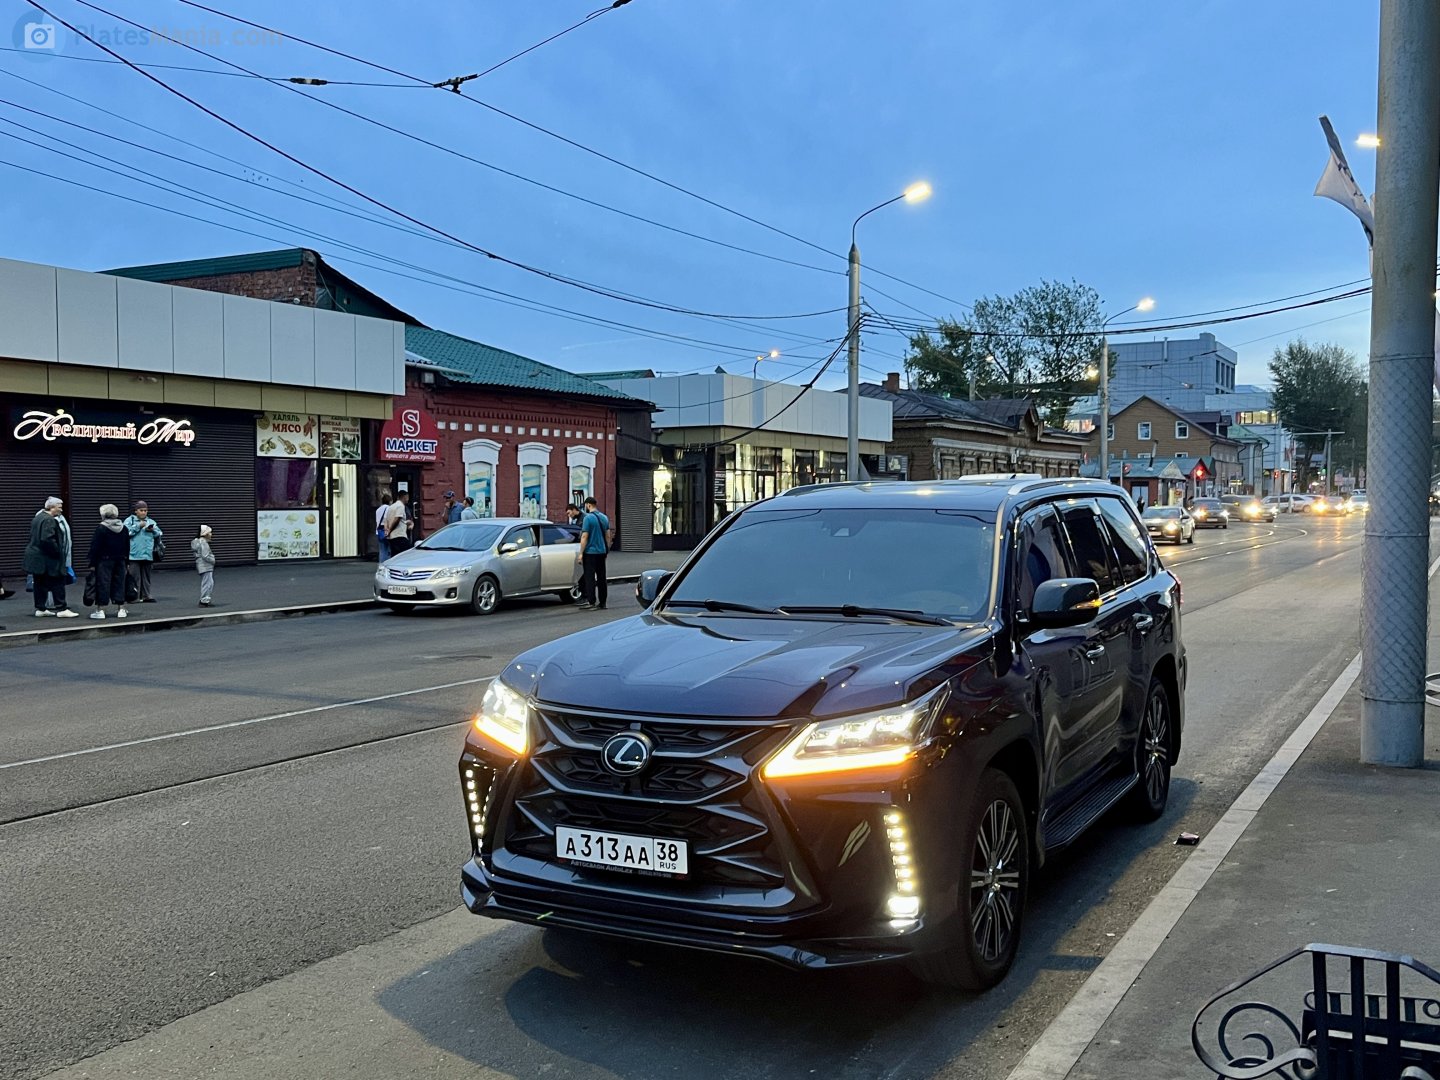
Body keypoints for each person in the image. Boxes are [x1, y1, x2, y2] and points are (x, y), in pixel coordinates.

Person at [22, 496, 78, 618]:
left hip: (36, 557)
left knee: (40, 582)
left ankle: (41, 608)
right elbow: (47, 539)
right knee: (58, 581)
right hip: (47, 558)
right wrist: (58, 553)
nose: (61, 510)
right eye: (60, 507)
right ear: (52, 507)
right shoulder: (49, 520)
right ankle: (62, 608)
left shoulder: (38, 518)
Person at [87, 503, 131, 620]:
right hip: (121, 559)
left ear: (103, 515)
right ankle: (121, 609)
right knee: (120, 583)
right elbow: (127, 545)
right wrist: (127, 561)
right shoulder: (124, 528)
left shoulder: (101, 528)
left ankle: (100, 610)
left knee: (103, 583)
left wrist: (92, 563)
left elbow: (95, 546)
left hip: (104, 560)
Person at [576, 497, 613, 611]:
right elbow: (608, 535)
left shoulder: (588, 518)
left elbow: (584, 536)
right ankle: (603, 603)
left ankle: (591, 602)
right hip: (602, 552)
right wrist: (606, 549)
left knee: (590, 578)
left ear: (588, 505)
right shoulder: (604, 517)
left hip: (590, 552)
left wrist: (581, 553)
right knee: (602, 578)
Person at [123, 500, 163, 603]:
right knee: (134, 576)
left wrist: (153, 530)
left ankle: (146, 595)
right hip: (134, 554)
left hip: (147, 553)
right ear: (136, 511)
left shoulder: (151, 521)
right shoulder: (129, 521)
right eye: (141, 510)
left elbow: (159, 534)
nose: (144, 512)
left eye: (145, 510)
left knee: (146, 577)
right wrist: (138, 527)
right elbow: (125, 534)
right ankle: (134, 596)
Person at [192, 525, 217, 607]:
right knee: (208, 583)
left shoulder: (198, 542)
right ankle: (204, 600)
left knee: (208, 582)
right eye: (209, 532)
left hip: (201, 565)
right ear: (205, 533)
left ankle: (206, 599)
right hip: (206, 565)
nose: (211, 534)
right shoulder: (203, 543)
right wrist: (213, 560)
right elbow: (205, 555)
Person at [384, 490, 412, 555]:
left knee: (394, 556)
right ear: (404, 497)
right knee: (407, 554)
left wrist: (387, 530)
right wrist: (390, 529)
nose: (408, 500)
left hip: (392, 537)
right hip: (399, 535)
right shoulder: (401, 506)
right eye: (407, 498)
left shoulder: (391, 507)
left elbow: (386, 520)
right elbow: (397, 519)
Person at [376, 493, 393, 563]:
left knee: (382, 550)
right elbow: (388, 519)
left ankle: (381, 564)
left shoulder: (378, 509)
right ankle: (386, 564)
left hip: (379, 532)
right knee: (388, 550)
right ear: (389, 501)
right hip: (385, 531)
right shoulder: (388, 508)